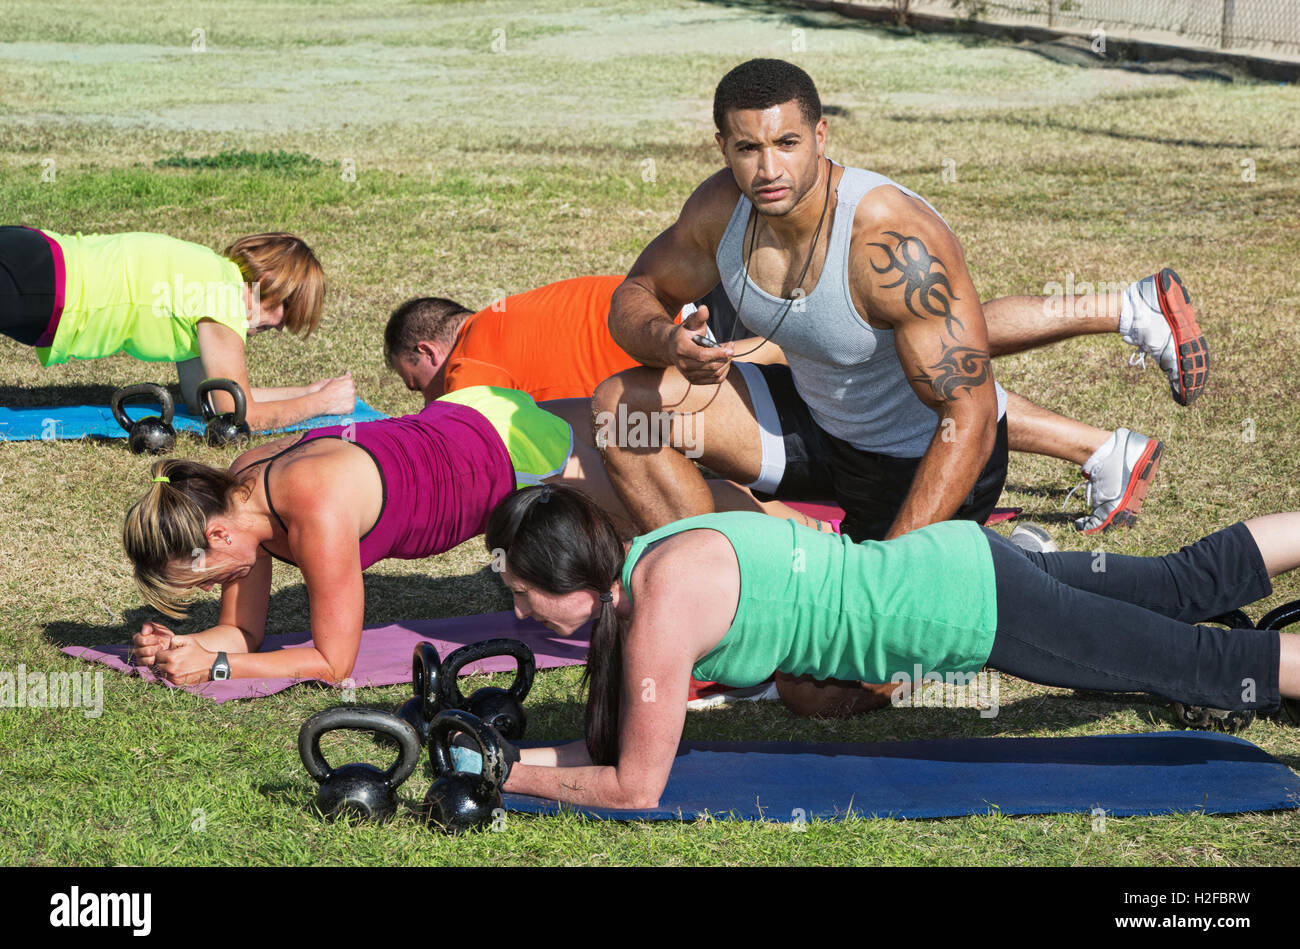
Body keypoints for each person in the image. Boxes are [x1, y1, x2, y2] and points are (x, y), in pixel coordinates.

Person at [598, 58, 1205, 545]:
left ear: (820, 136)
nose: (768, 168)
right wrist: (668, 342)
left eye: (787, 143)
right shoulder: (720, 210)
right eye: (747, 149)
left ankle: (1006, 564)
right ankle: (702, 585)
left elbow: (969, 417)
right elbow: (637, 292)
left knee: (852, 657)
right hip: (819, 425)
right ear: (722, 147)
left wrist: (894, 571)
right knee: (622, 409)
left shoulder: (891, 242)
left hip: (915, 461)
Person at [482, 485, 1296, 810]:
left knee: (1208, 667)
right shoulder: (657, 549)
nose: (520, 611)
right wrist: (499, 757)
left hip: (968, 609)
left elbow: (635, 786)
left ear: (572, 574)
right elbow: (615, 748)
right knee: (1182, 581)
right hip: (960, 558)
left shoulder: (659, 613)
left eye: (523, 592)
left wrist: (505, 775)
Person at [122, 386, 821, 685]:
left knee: (673, 516)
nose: (218, 587)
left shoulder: (316, 508)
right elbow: (243, 633)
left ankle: (808, 545)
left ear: (217, 534)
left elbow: (334, 662)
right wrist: (189, 647)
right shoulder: (239, 492)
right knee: (661, 472)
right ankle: (795, 514)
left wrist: (220, 669)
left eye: (205, 577)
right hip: (464, 419)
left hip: (511, 450)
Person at [384, 277, 1187, 531]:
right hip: (702, 334)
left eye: (416, 381)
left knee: (917, 354)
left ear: (427, 353)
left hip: (709, 354)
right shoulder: (515, 314)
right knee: (909, 370)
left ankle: (1122, 311)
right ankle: (1103, 445)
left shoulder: (471, 364)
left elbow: (448, 443)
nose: (429, 394)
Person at [0, 226, 355, 429]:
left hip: (35, 259)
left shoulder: (214, 277)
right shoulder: (224, 299)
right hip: (41, 286)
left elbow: (207, 400)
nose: (279, 328)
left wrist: (307, 391)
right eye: (286, 313)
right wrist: (320, 403)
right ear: (266, 283)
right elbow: (236, 413)